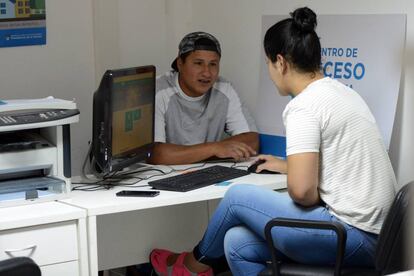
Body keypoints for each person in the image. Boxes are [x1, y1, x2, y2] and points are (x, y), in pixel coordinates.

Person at [149, 7, 397, 276]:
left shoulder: (304, 106)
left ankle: (189, 268)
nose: (269, 71)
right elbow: (341, 164)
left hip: (352, 236)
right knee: (236, 243)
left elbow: (303, 193)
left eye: (268, 63)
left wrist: (302, 180)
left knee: (236, 198)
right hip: (386, 238)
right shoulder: (340, 92)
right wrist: (288, 165)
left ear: (281, 62)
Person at [149, 31, 259, 165]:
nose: (207, 73)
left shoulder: (224, 88)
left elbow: (251, 139)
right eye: (198, 63)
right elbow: (156, 154)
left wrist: (206, 152)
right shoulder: (158, 91)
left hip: (206, 172)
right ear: (180, 63)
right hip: (163, 176)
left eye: (213, 64)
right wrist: (214, 149)